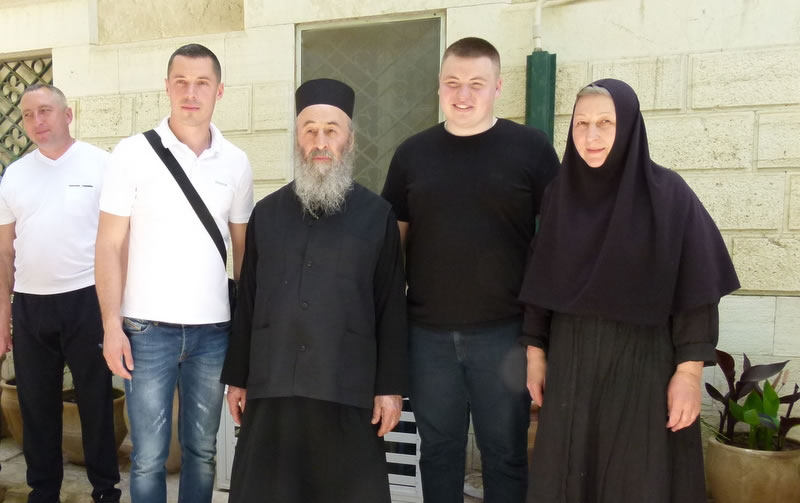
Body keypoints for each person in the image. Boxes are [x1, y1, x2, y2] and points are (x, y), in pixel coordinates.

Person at [519, 79, 740, 503]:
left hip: (645, 367)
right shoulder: (559, 195)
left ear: (630, 127)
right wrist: (535, 353)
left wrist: (689, 373)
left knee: (637, 478)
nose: (591, 135)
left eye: (606, 122)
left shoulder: (668, 195)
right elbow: (540, 279)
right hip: (572, 363)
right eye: (581, 123)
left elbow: (696, 290)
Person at [381, 37, 560, 502]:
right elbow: (391, 250)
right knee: (438, 452)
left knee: (505, 453)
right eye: (452, 83)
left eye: (476, 84)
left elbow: (559, 242)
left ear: (497, 87)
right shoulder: (411, 154)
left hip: (505, 334)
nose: (462, 94)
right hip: (428, 336)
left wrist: (542, 336)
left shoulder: (531, 149)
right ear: (439, 86)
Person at [221, 78, 408, 503]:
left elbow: (390, 307)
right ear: (297, 140)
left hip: (347, 387)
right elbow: (248, 299)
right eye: (309, 131)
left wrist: (390, 387)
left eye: (331, 130)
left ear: (349, 140)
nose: (320, 142)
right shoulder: (266, 214)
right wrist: (237, 379)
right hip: (273, 384)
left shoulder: (377, 216)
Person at [95, 43, 253, 503]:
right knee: (148, 456)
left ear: (219, 91)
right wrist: (111, 325)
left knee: (202, 453)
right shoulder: (131, 154)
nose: (190, 92)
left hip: (213, 333)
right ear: (166, 87)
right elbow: (108, 245)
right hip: (146, 331)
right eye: (181, 82)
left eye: (202, 83)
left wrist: (246, 334)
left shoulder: (236, 162)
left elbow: (244, 253)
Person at [0, 84, 121, 503]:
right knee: (36, 405)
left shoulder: (101, 165)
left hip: (87, 298)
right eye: (28, 114)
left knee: (96, 401)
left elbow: (120, 240)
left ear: (68, 115)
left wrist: (117, 311)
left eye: (46, 111)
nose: (37, 121)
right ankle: (43, 491)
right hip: (30, 305)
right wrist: (4, 317)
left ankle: (105, 490)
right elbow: (4, 251)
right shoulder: (15, 175)